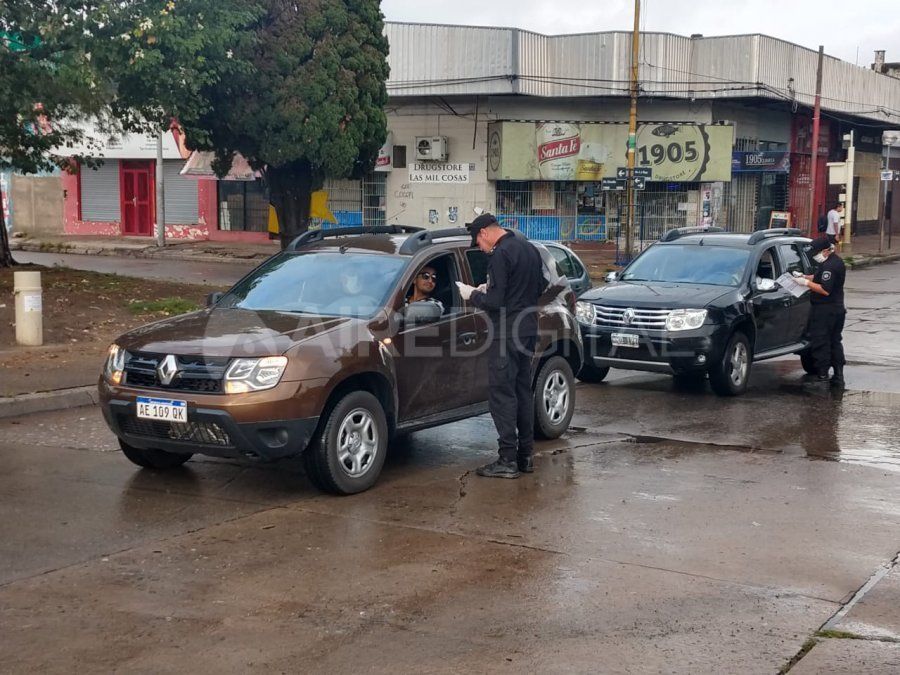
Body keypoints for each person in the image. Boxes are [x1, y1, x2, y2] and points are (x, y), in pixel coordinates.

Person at [456, 213, 546, 479]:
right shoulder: (528, 249)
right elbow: (539, 285)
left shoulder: (500, 254)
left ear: (484, 233)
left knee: (501, 395)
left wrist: (472, 294)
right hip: (528, 330)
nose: (480, 249)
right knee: (522, 393)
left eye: (478, 242)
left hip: (506, 334)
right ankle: (525, 456)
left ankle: (507, 459)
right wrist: (494, 288)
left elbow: (495, 303)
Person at [794, 235, 846, 386]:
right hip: (836, 309)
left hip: (826, 311)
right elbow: (819, 277)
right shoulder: (833, 262)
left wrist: (805, 283)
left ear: (825, 251)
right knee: (835, 341)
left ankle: (823, 375)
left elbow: (824, 289)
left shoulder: (830, 266)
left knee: (822, 341)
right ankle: (838, 374)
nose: (815, 256)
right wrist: (805, 276)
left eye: (816, 253)